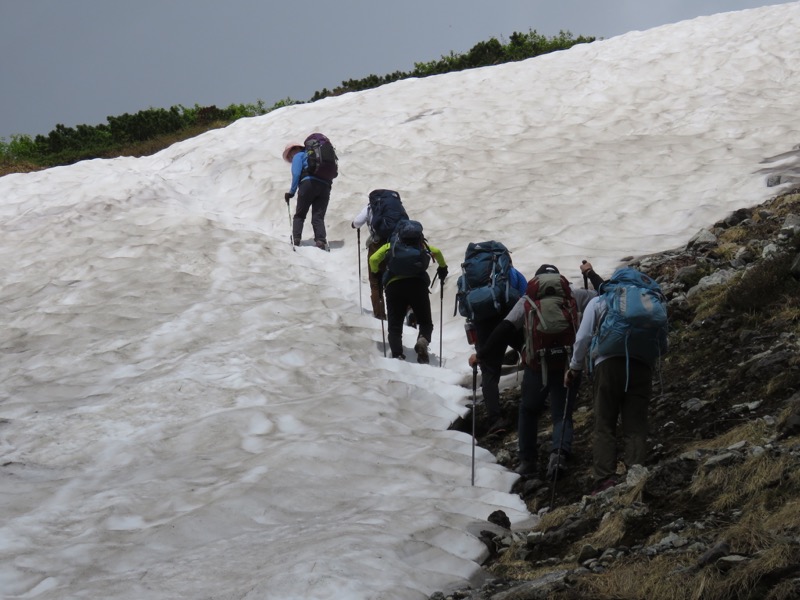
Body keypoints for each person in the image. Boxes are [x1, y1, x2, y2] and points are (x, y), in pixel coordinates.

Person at [470, 261, 604, 479]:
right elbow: (602, 298)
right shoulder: (575, 295)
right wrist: (590, 273)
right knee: (562, 413)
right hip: (568, 364)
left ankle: (528, 462)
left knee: (529, 410)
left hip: (536, 364)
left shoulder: (527, 300)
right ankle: (558, 456)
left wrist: (481, 354)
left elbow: (504, 328)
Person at [565, 265, 667, 494]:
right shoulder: (649, 301)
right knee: (636, 424)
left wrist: (574, 368)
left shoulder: (601, 301)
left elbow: (582, 338)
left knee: (604, 423)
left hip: (607, 364)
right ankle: (636, 474)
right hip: (641, 366)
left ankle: (604, 479)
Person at [368, 222, 447, 363]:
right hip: (418, 285)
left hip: (394, 286)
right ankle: (422, 340)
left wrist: (376, 273)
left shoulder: (391, 246)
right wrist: (442, 268)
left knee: (395, 323)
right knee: (425, 321)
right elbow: (438, 253)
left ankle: (397, 354)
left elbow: (373, 259)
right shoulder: (421, 245)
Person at [467, 255, 528, 436]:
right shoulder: (512, 273)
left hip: (483, 324)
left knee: (489, 371)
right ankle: (536, 397)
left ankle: (495, 420)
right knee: (529, 353)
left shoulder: (472, 278)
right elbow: (525, 297)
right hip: (510, 320)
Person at [283, 141, 333, 249]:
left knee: (300, 214)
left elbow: (296, 174)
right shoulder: (315, 155)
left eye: (289, 155)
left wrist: (291, 192)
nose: (290, 157)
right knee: (318, 216)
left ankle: (296, 238)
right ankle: (320, 240)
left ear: (294, 149)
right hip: (325, 186)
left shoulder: (299, 156)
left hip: (308, 184)